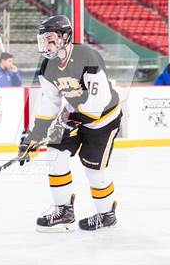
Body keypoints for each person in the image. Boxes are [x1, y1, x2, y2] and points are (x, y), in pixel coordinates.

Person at [18, 15, 121, 232]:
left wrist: (75, 119)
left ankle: (106, 214)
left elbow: (98, 101)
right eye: (43, 40)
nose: (45, 45)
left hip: (103, 120)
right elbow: (50, 102)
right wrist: (34, 136)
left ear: (65, 37)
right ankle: (64, 211)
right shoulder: (47, 67)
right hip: (73, 115)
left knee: (94, 170)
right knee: (54, 154)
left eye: (50, 39)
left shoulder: (87, 56)